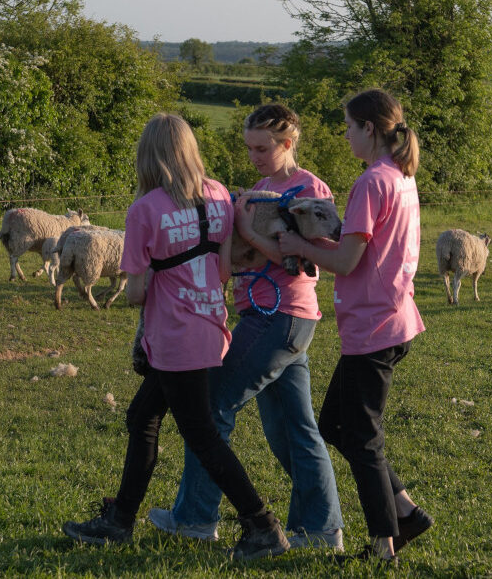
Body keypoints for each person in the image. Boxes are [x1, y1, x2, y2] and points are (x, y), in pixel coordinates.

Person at [62, 113, 290, 561]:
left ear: (147, 155)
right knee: (141, 418)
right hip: (209, 327)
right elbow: (223, 269)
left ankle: (262, 525)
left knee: (202, 436)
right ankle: (120, 519)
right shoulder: (218, 195)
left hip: (172, 338)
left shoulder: (146, 209)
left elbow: (136, 293)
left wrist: (159, 274)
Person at [147, 103, 345, 550]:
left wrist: (245, 230)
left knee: (213, 407)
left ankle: (195, 517)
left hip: (279, 316)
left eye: (262, 148)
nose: (254, 156)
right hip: (275, 319)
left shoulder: (308, 188)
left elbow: (303, 263)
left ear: (287, 143)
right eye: (250, 148)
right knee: (292, 429)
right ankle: (321, 529)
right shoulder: (260, 188)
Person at [277, 88, 433, 565]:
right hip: (393, 317)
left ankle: (385, 545)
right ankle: (405, 511)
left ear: (369, 128)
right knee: (335, 425)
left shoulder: (371, 182)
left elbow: (346, 260)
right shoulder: (400, 177)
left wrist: (298, 245)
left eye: (348, 126)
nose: (344, 135)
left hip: (373, 326)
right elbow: (362, 247)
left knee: (361, 437)